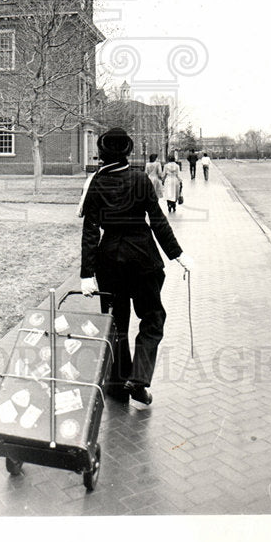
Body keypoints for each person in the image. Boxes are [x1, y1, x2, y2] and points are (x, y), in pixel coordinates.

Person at [80, 129, 194, 405]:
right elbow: (157, 220)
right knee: (152, 319)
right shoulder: (140, 179)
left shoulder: (95, 183)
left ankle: (118, 384)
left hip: (109, 263)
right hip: (143, 259)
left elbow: (91, 230)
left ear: (103, 152)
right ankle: (139, 379)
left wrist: (87, 274)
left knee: (116, 325)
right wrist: (177, 254)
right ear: (128, 151)